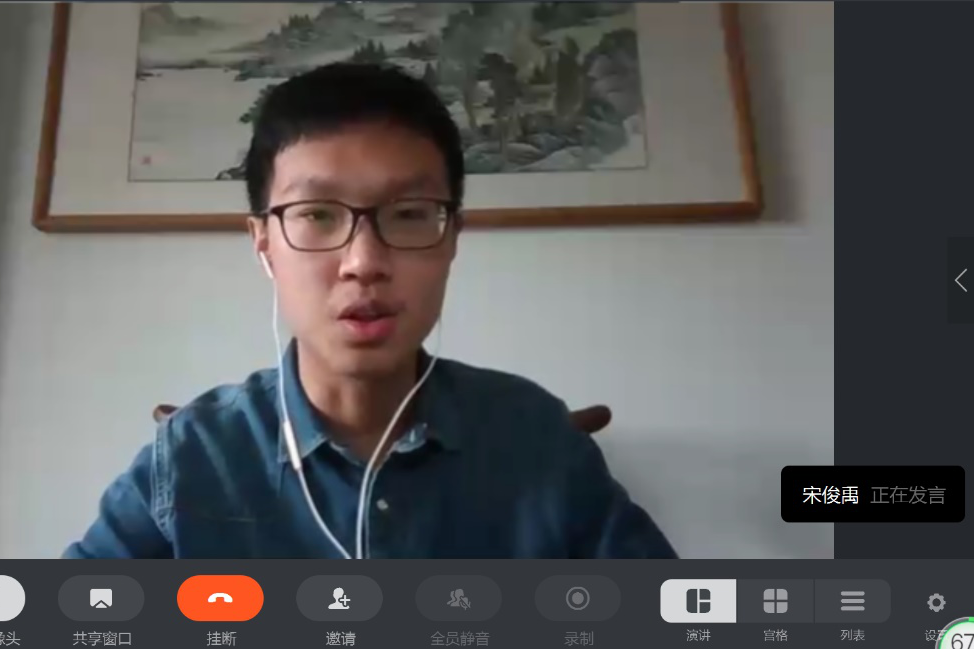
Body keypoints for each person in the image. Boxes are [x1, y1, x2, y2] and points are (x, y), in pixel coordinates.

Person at [63, 63, 676, 559]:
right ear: (263, 243)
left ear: (452, 238)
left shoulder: (536, 438)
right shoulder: (192, 457)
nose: (363, 262)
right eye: (317, 215)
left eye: (408, 215)